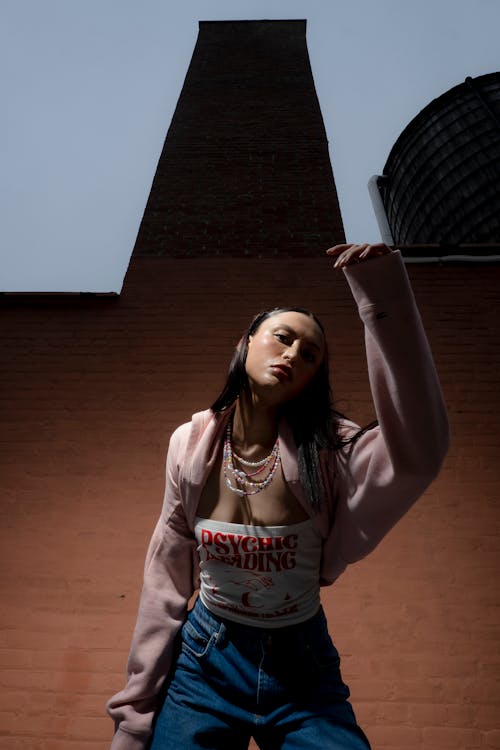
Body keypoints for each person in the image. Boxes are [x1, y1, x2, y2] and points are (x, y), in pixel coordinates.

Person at [106, 243, 449, 750]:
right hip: (205, 662)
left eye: (308, 355)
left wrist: (380, 301)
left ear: (313, 377)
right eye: (282, 338)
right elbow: (164, 578)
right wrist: (135, 715)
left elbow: (420, 451)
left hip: (303, 667)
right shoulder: (189, 444)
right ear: (246, 343)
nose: (292, 354)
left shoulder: (333, 449)